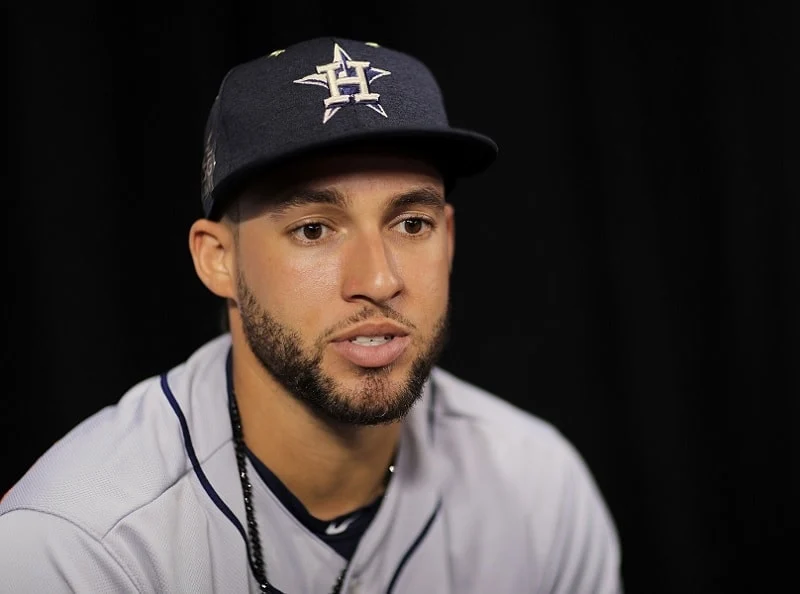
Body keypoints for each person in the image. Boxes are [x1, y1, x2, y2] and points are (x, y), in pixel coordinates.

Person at [0, 36, 622, 593]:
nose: (379, 280)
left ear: (449, 238)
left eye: (412, 223)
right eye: (314, 228)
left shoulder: (539, 488)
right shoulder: (79, 546)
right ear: (219, 260)